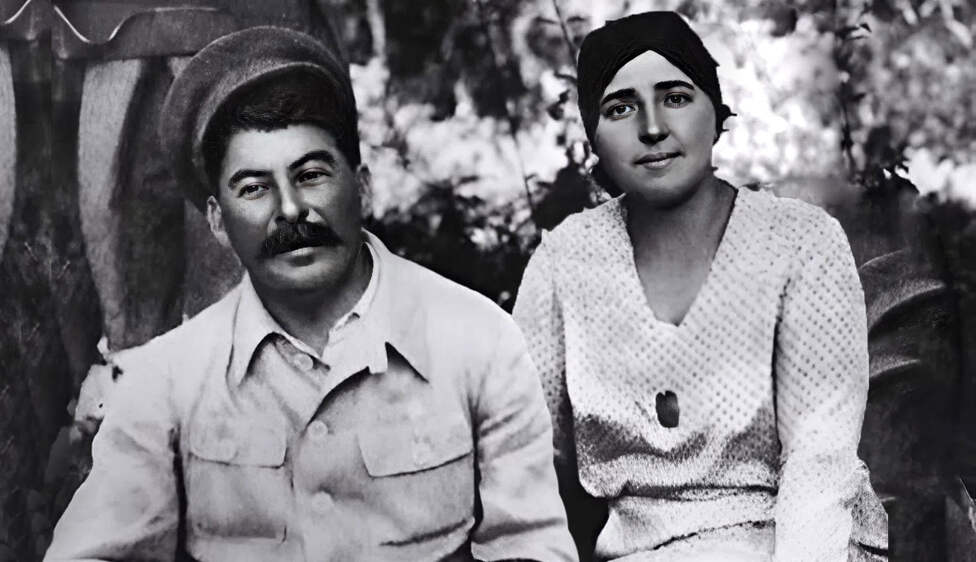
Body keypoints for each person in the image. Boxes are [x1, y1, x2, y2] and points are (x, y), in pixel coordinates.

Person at [46, 26, 576, 562]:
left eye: (311, 175)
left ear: (362, 187)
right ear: (218, 221)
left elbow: (532, 547)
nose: (290, 210)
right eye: (254, 188)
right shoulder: (168, 377)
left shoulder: (478, 340)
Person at [513, 11, 888, 562]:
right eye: (620, 108)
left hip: (795, 543)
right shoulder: (564, 261)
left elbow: (820, 458)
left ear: (715, 113)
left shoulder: (800, 242)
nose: (652, 127)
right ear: (593, 135)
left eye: (676, 97)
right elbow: (528, 457)